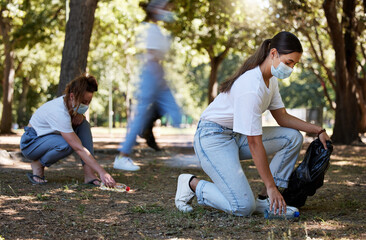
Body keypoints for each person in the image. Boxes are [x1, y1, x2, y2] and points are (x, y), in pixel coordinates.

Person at [175, 31, 331, 217]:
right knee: (242, 207)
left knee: (292, 137)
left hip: (235, 135)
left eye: (294, 64)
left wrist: (318, 130)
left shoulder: (270, 81)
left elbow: (282, 117)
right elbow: (254, 143)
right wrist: (271, 186)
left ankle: (265, 200)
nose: (291, 68)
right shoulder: (251, 87)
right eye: (289, 62)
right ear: (273, 53)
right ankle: (191, 184)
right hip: (212, 138)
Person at [113, 0, 181, 171]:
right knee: (142, 116)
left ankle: (190, 153)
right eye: (166, 8)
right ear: (156, 9)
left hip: (158, 75)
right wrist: (159, 79)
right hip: (152, 75)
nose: (168, 12)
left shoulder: (157, 30)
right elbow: (152, 56)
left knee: (176, 112)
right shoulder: (150, 29)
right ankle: (122, 156)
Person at [20, 74, 116, 187]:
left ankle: (89, 174)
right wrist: (102, 172)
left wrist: (79, 115)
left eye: (88, 102)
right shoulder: (59, 112)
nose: (86, 106)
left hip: (47, 139)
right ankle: (38, 165)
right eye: (84, 102)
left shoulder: (70, 105)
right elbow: (78, 148)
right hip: (31, 143)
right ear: (72, 96)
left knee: (84, 125)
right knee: (69, 143)